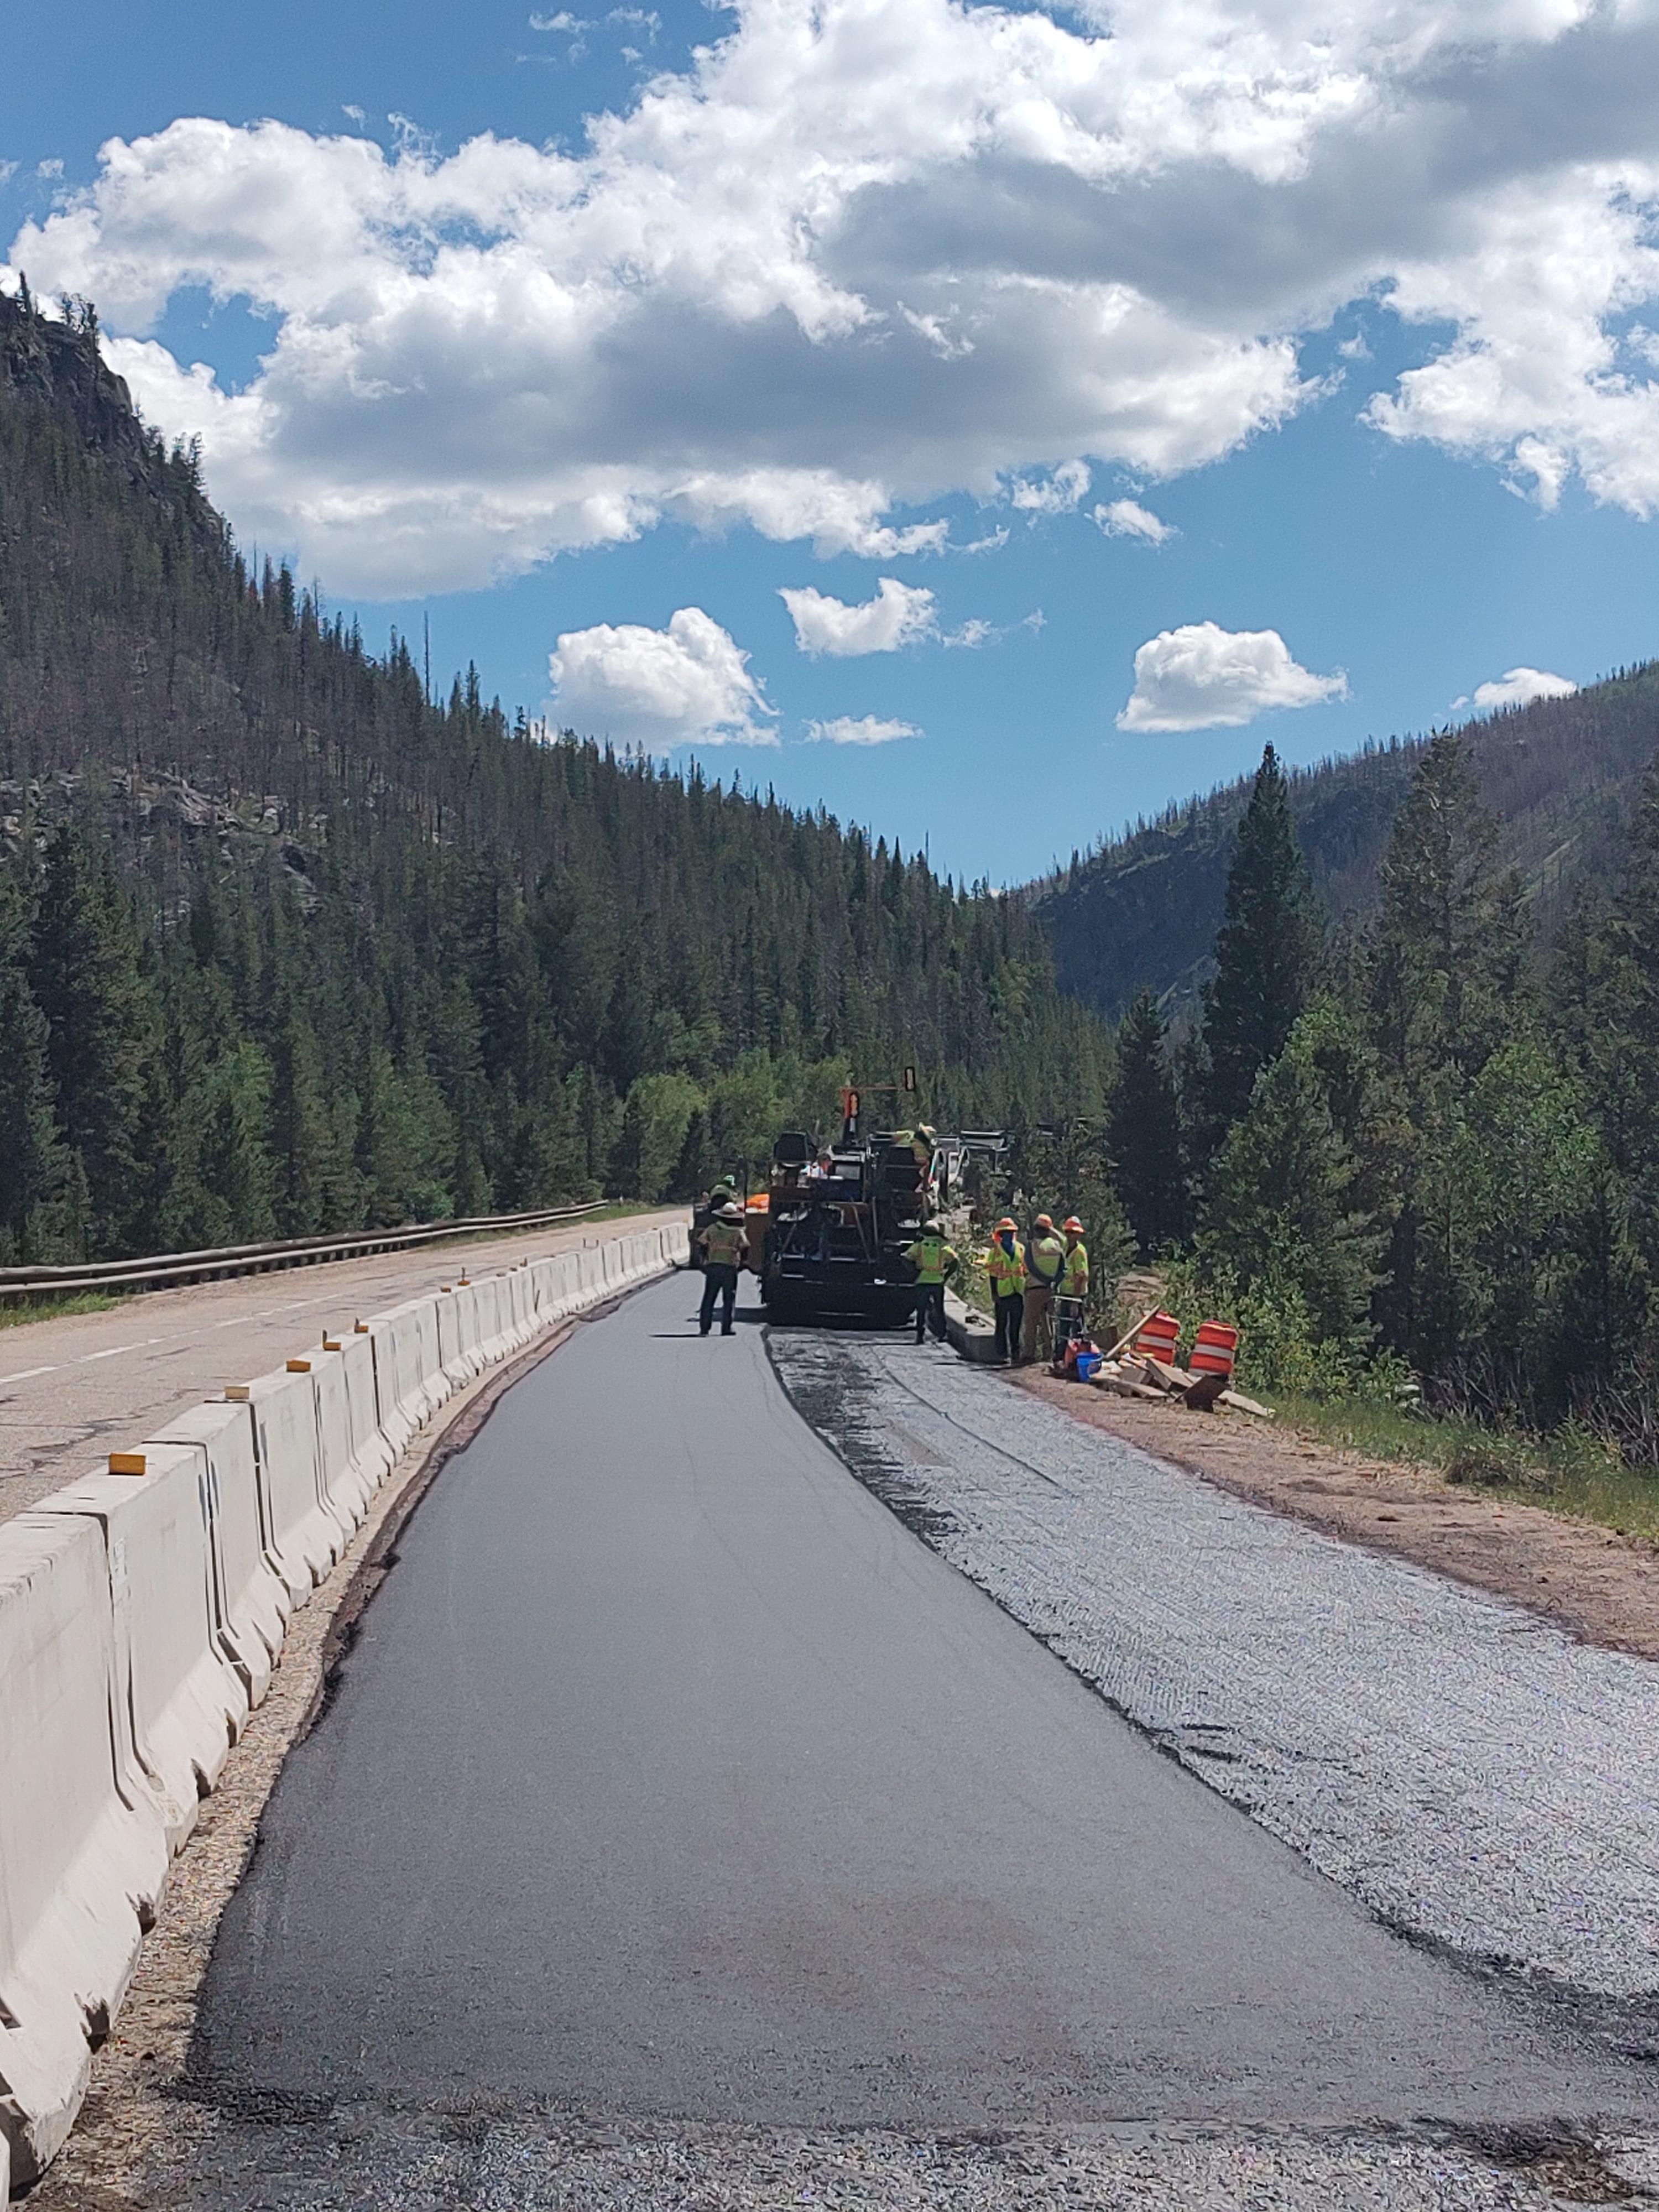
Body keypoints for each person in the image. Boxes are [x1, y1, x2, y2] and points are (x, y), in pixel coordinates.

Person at [902, 1216, 958, 1343]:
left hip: (922, 1281)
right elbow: (955, 1262)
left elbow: (905, 1258)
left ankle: (920, 1336)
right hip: (938, 1282)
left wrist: (914, 1273)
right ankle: (943, 1334)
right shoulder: (943, 1247)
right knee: (939, 1309)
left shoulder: (920, 1246)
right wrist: (946, 1276)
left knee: (921, 1309)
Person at [696, 1201, 748, 1336]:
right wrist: (742, 1263)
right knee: (729, 1299)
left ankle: (704, 1329)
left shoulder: (712, 1229)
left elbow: (701, 1243)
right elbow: (745, 1246)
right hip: (730, 1268)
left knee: (709, 1298)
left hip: (713, 1267)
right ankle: (726, 1328)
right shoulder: (738, 1232)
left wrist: (704, 1261)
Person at [1020, 1212, 1066, 1365]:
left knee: (1031, 1323)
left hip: (1035, 1289)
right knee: (1049, 1324)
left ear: (1036, 1229)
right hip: (1051, 1290)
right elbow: (1063, 1269)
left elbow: (1031, 1266)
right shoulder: (1057, 1246)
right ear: (1049, 1230)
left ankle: (1029, 1355)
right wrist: (1054, 1282)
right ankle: (1049, 1354)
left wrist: (1044, 1280)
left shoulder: (1032, 1246)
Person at [985, 1217, 1026, 1364]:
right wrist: (994, 1293)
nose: (1008, 1235)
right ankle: (1002, 1353)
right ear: (1000, 1234)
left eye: (1011, 1232)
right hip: (1002, 1293)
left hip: (1018, 1291)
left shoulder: (1021, 1249)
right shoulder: (995, 1252)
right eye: (1005, 1233)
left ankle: (1016, 1353)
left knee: (1016, 1325)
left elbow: (1025, 1269)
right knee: (1001, 1324)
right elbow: (992, 1274)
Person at [1052, 1214, 1090, 1366]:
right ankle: (1061, 1356)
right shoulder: (1066, 1247)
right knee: (1063, 1326)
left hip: (1076, 1295)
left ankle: (1076, 1358)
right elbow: (1057, 1235)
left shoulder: (1080, 1252)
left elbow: (1081, 1275)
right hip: (1065, 1293)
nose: (1070, 1235)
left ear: (1078, 1234)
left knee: (1076, 1327)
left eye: (1072, 1233)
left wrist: (1075, 1300)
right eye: (1068, 1232)